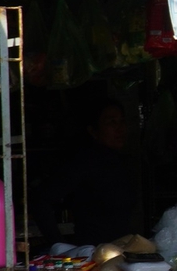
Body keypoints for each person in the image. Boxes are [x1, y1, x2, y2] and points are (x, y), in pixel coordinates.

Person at [37, 99, 140, 245]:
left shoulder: (122, 162)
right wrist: (59, 244)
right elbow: (41, 200)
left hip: (121, 252)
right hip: (91, 254)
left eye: (122, 121)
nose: (120, 128)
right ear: (93, 130)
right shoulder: (83, 163)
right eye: (111, 122)